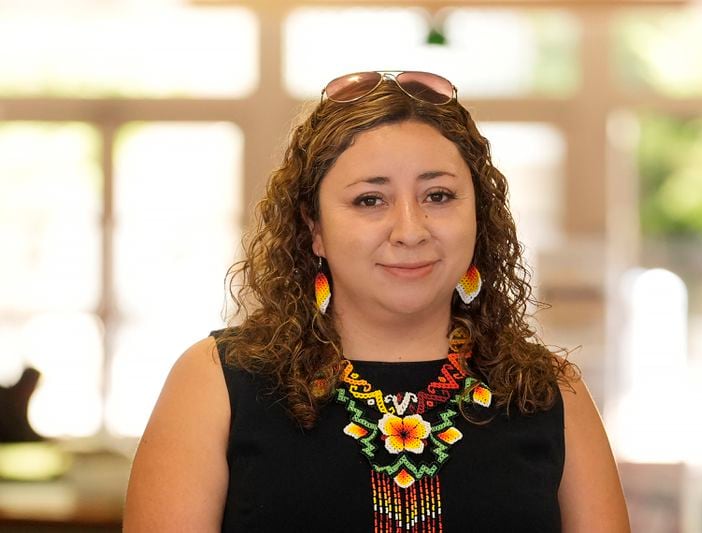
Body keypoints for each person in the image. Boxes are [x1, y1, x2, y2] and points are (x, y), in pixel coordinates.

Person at [123, 71, 630, 532]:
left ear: (481, 215)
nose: (410, 231)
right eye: (370, 200)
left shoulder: (552, 393)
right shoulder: (215, 381)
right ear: (313, 227)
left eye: (439, 196)